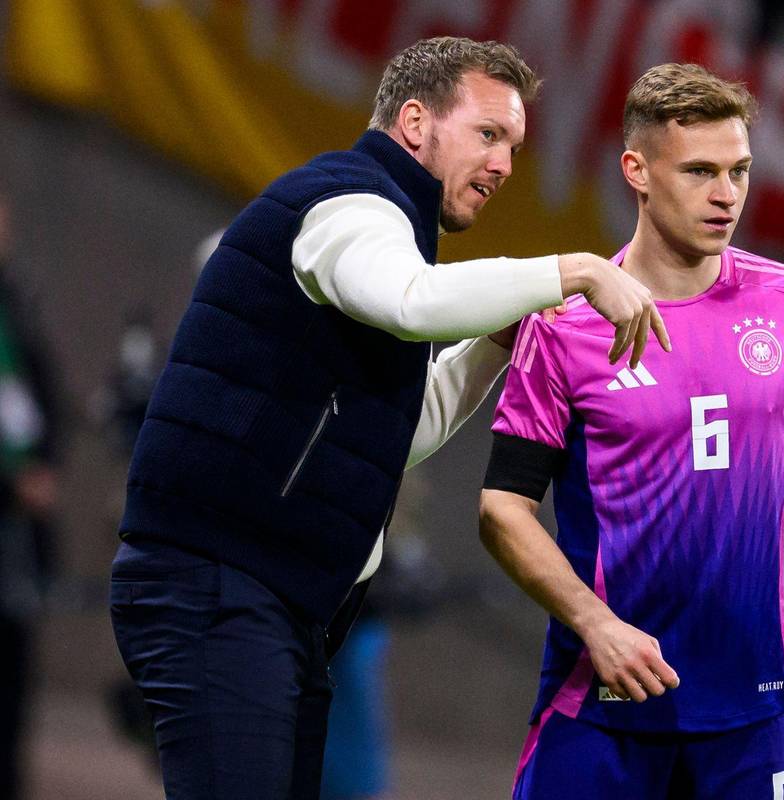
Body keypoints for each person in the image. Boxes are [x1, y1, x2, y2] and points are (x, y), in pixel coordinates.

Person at [109, 36, 671, 800]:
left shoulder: (390, 231)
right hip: (221, 588)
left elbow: (392, 439)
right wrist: (570, 271)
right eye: (488, 134)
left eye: (513, 143)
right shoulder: (351, 203)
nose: (505, 162)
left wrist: (494, 343)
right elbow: (411, 304)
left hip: (274, 604)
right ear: (414, 123)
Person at [478, 63, 784, 799]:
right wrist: (594, 624)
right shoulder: (565, 326)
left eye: (740, 171)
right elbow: (503, 510)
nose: (726, 194)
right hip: (601, 709)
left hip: (753, 709)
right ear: (636, 169)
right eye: (700, 171)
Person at [0, 193, 60, 800]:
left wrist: (41, 470)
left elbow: (44, 400)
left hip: (19, 541)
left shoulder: (16, 304)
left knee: (13, 684)